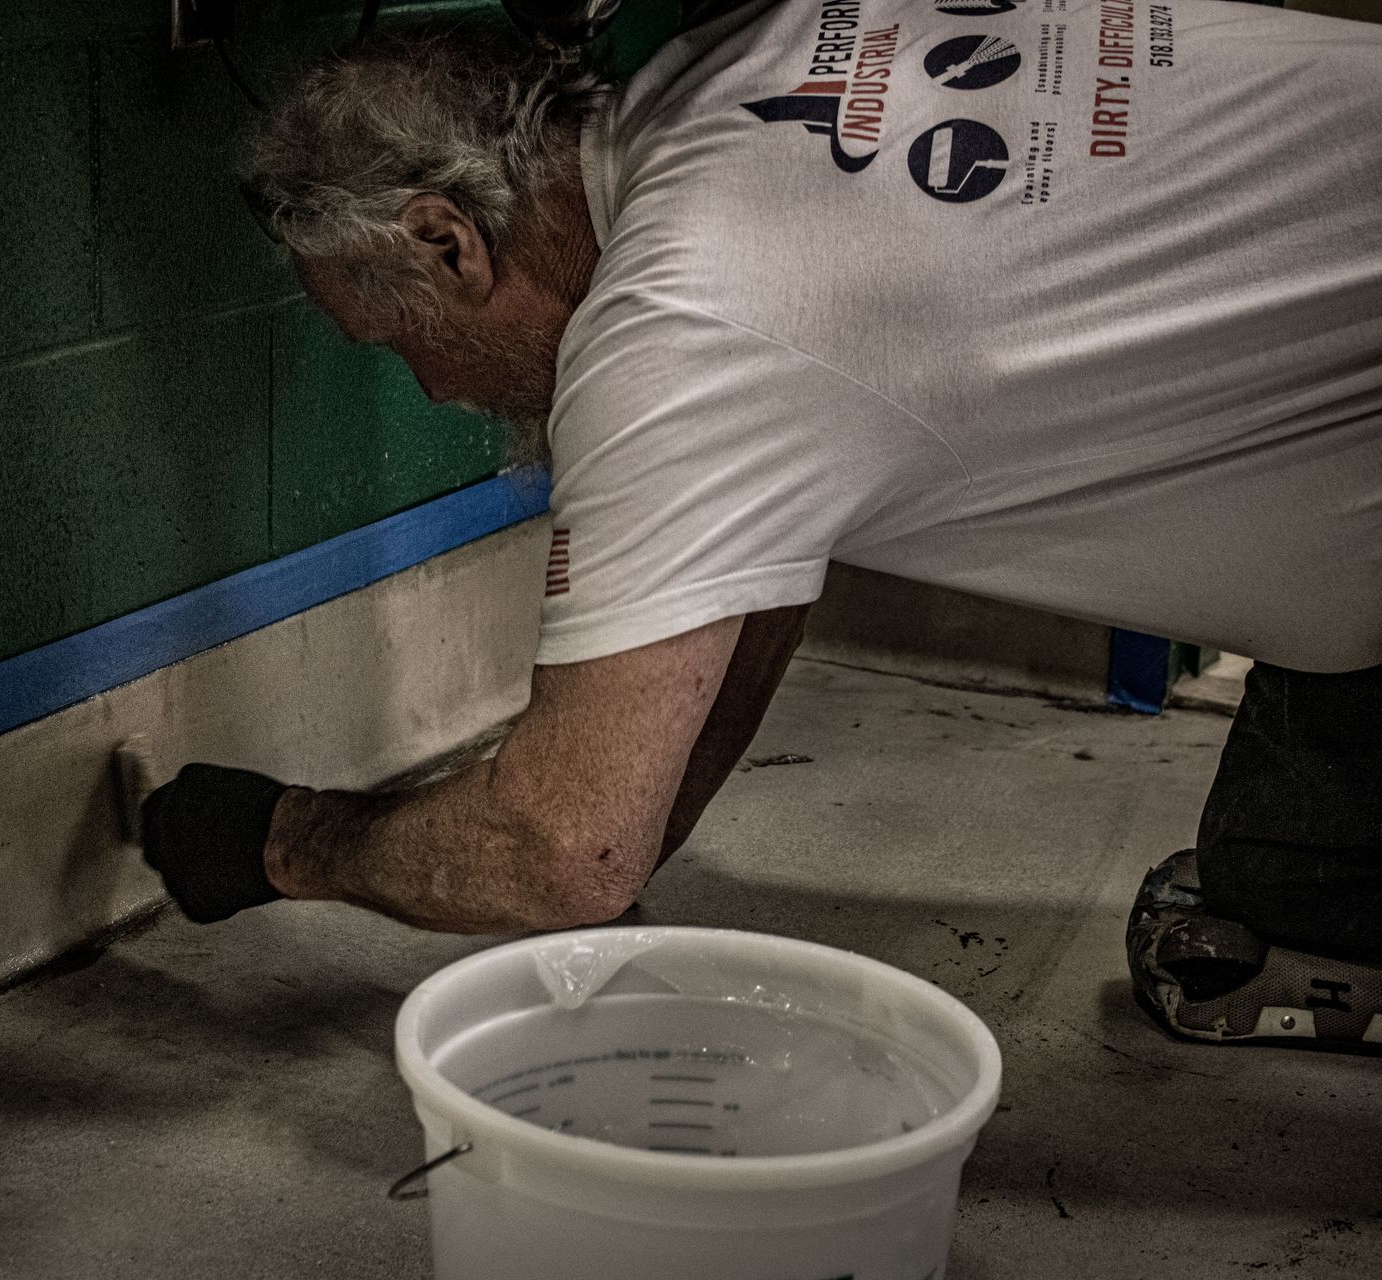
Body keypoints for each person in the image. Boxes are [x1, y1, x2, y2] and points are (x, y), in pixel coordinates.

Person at [137, 0, 1382, 1048]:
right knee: (1281, 882)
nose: (434, 388)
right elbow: (752, 568)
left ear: (446, 239)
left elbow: (558, 850)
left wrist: (279, 840)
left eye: (400, 338)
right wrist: (639, 823)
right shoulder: (737, 65)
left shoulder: (685, 326)